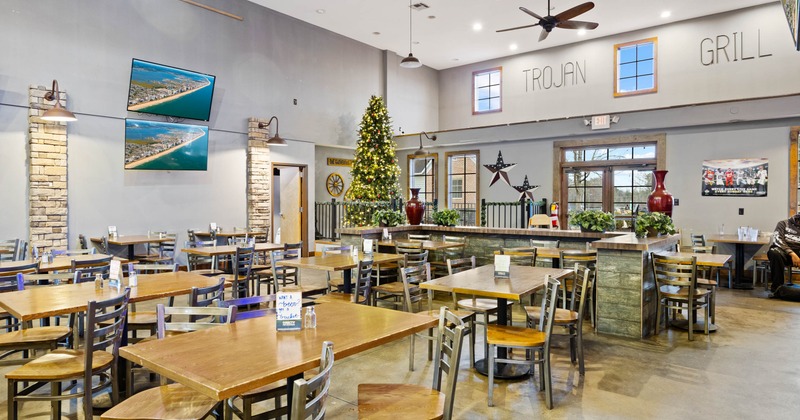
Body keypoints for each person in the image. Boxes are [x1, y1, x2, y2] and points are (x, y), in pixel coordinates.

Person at [767, 213, 800, 296]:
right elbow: (777, 240)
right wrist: (792, 253)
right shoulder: (783, 224)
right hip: (784, 251)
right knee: (774, 252)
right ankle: (777, 288)